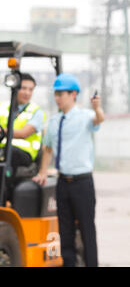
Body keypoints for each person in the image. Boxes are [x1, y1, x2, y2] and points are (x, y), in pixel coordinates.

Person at [32, 73, 105, 267]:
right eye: (55, 94)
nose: (57, 98)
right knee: (65, 232)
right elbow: (47, 148)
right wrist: (42, 171)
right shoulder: (54, 122)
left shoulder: (86, 117)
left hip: (82, 183)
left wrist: (97, 108)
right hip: (63, 183)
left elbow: (99, 120)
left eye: (61, 94)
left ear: (73, 94)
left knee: (87, 229)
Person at [0, 73, 46, 175]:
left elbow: (24, 133)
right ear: (15, 88)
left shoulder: (36, 111)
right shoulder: (2, 107)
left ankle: (3, 187)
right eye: (23, 88)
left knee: (9, 154)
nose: (27, 93)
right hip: (1, 149)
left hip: (24, 154)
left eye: (30, 89)